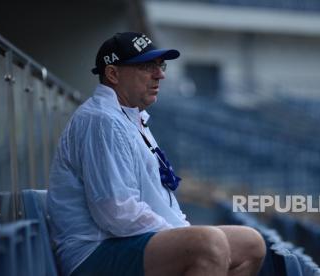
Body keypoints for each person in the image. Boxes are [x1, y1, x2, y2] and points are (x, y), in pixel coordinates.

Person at [47, 32, 266, 276]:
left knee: (250, 243)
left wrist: (181, 230)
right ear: (113, 74)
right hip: (94, 252)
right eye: (146, 66)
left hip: (125, 243)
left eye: (159, 65)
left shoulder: (131, 116)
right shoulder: (101, 120)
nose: (160, 74)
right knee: (208, 244)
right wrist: (178, 234)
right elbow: (115, 212)